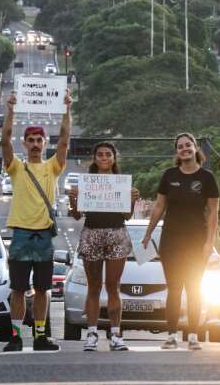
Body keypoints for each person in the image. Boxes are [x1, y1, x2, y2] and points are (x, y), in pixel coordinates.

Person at [1, 90, 71, 352]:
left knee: (42, 290)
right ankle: (16, 336)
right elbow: (5, 141)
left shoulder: (53, 166)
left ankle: (41, 336)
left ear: (44, 142)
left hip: (43, 236)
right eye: (30, 140)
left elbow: (65, 141)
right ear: (25, 143)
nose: (34, 144)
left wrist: (67, 109)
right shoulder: (16, 167)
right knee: (18, 290)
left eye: (38, 140)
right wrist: (10, 109)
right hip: (20, 235)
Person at [141, 133, 219, 350]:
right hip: (171, 241)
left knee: (194, 288)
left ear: (195, 148)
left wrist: (209, 242)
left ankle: (193, 336)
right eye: (180, 146)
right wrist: (148, 233)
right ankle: (171, 335)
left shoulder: (207, 177)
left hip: (197, 241)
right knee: (174, 289)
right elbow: (159, 206)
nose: (184, 149)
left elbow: (213, 213)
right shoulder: (169, 175)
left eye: (188, 145)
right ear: (177, 152)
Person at [67, 142, 139, 351]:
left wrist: (132, 200)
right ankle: (91, 334)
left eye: (108, 154)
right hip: (92, 234)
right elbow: (77, 215)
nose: (104, 157)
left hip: (116, 233)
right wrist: (73, 200)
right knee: (94, 287)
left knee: (113, 287)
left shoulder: (121, 184)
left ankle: (115, 335)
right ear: (94, 158)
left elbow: (127, 215)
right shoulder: (87, 183)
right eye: (100, 154)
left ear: (114, 158)